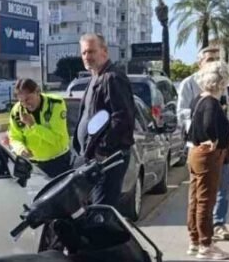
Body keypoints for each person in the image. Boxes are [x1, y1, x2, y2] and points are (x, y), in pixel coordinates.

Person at [178, 46, 229, 242]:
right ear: (199, 62)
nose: (214, 62)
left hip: (220, 148)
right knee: (201, 195)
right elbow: (184, 113)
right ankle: (202, 238)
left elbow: (224, 110)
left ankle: (218, 224)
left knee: (223, 187)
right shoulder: (190, 84)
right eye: (210, 59)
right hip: (203, 146)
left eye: (217, 59)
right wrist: (204, 134)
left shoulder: (220, 85)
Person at [73, 33, 136, 207]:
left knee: (101, 212)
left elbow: (122, 118)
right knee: (93, 211)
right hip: (94, 160)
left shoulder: (112, 77)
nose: (87, 57)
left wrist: (102, 150)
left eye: (91, 51)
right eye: (84, 52)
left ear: (104, 52)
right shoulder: (96, 77)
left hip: (108, 160)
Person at [7, 78, 72, 177]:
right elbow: (14, 137)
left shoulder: (55, 104)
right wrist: (20, 149)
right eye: (21, 101)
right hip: (33, 164)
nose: (26, 104)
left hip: (58, 161)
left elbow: (57, 139)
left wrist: (33, 126)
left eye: (28, 99)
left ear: (38, 91)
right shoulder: (16, 111)